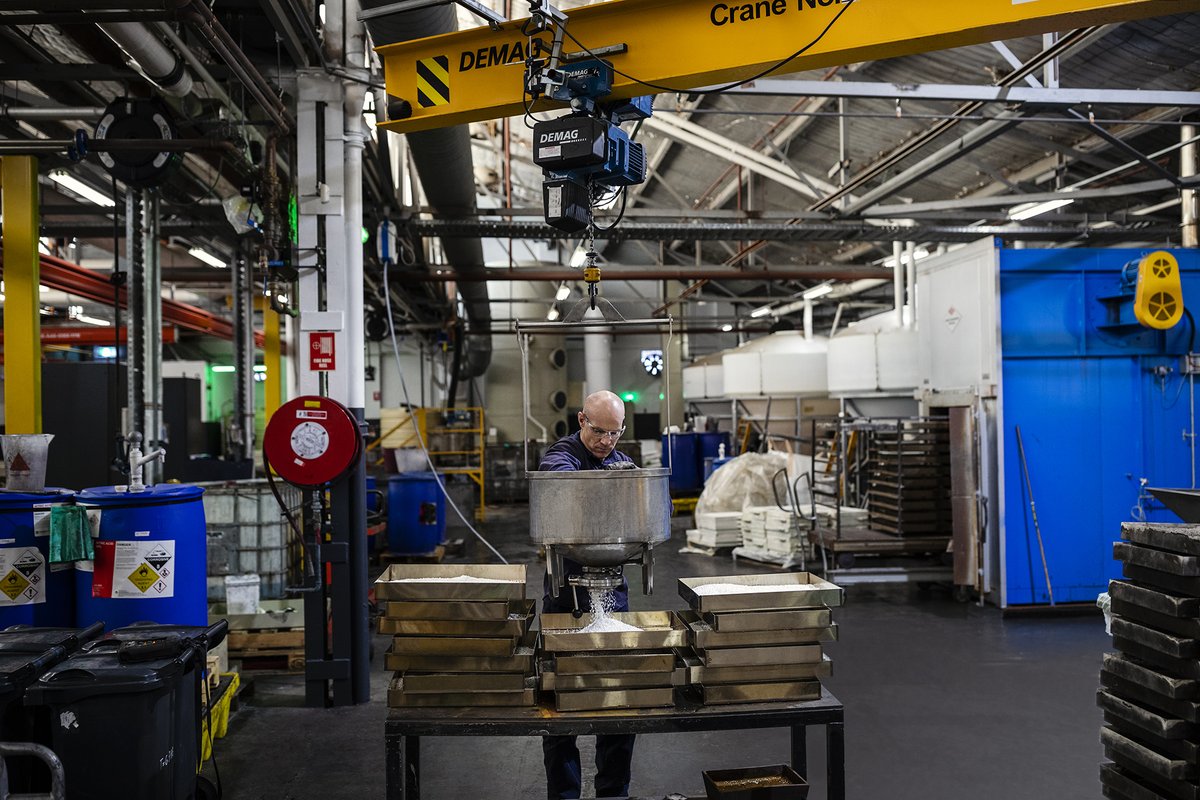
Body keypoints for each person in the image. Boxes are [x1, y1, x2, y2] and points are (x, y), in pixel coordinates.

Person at [539, 390, 637, 799]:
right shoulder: (561, 456)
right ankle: (564, 794)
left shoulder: (620, 459)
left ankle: (613, 793)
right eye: (599, 431)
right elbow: (560, 481)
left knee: (619, 698)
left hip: (612, 592)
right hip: (567, 594)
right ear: (581, 420)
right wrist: (615, 479)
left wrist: (634, 482)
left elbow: (651, 500)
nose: (606, 442)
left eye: (615, 434)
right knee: (559, 703)